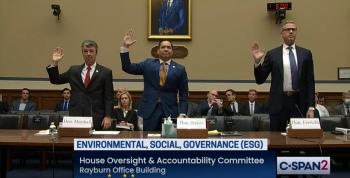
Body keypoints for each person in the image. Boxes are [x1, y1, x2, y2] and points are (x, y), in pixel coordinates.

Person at [252, 20, 315, 131]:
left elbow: (310, 82)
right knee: (277, 139)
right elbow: (260, 79)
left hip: (299, 103)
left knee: (298, 140)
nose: (291, 32)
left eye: (293, 29)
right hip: (278, 103)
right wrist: (257, 62)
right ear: (282, 34)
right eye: (287, 29)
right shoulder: (272, 54)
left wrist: (311, 107)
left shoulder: (306, 54)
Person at [120, 30, 188, 131]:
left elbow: (183, 94)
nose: (166, 49)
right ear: (158, 51)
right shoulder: (148, 64)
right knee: (148, 142)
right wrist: (125, 47)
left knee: (169, 143)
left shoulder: (180, 69)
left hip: (170, 112)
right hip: (149, 111)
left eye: (168, 47)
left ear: (172, 51)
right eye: (163, 47)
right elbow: (127, 67)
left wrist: (182, 113)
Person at [47, 40, 114, 130]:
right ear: (82, 53)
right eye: (85, 51)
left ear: (96, 52)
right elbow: (55, 80)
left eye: (91, 51)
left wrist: (108, 116)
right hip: (76, 116)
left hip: (97, 116)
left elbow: (109, 97)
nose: (88, 54)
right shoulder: (73, 70)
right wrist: (54, 63)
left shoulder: (105, 72)